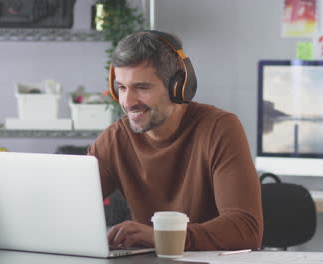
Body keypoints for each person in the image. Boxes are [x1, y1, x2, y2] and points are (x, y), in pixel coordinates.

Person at [87, 30, 263, 251]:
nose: (128, 102)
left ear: (178, 86)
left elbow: (246, 229)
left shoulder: (219, 128)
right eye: (122, 88)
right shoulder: (115, 139)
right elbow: (67, 202)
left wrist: (164, 237)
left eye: (142, 87)